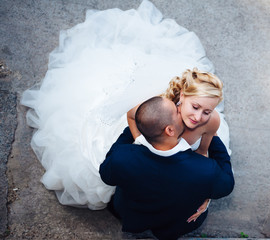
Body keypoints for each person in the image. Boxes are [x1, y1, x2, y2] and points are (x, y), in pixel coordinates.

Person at [20, 0, 231, 210]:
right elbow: (132, 115)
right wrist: (140, 140)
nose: (198, 116)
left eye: (207, 111)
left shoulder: (210, 121)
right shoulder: (160, 109)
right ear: (182, 96)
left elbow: (205, 147)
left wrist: (200, 165)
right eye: (195, 107)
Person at [99, 96, 234, 240]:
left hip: (130, 214)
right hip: (180, 223)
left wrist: (144, 126)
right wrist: (213, 136)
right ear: (170, 130)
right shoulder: (205, 170)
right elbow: (227, 184)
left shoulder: (121, 157)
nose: (180, 108)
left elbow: (106, 175)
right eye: (176, 110)